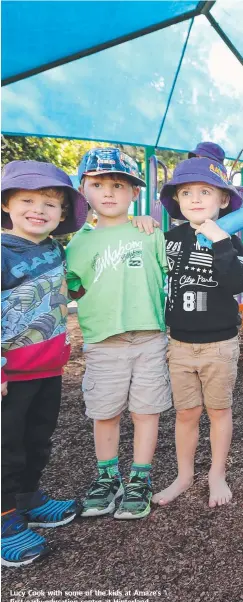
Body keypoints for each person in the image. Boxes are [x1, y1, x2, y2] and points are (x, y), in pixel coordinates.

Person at [66, 147, 171, 520]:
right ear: (84, 189)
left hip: (148, 339)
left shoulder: (151, 232)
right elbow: (71, 289)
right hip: (102, 340)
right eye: (98, 184)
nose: (108, 192)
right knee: (105, 412)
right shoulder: (77, 244)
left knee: (146, 411)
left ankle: (140, 479)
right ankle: (107, 477)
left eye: (118, 185)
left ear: (134, 193)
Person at [1, 160, 87, 566]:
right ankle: (4, 522)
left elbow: (74, 288)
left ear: (63, 214)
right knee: (6, 448)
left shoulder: (54, 249)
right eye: (28, 200)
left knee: (38, 439)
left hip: (47, 366)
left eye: (51, 203)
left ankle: (28, 498)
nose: (39, 209)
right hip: (9, 373)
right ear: (7, 204)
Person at [151, 157, 243, 508]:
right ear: (177, 200)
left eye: (205, 191)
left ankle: (216, 473)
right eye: (186, 192)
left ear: (223, 200)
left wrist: (220, 242)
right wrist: (142, 223)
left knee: (219, 411)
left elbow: (237, 282)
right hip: (180, 344)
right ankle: (184, 474)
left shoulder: (231, 242)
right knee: (186, 413)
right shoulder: (169, 239)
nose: (195, 198)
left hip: (219, 345)